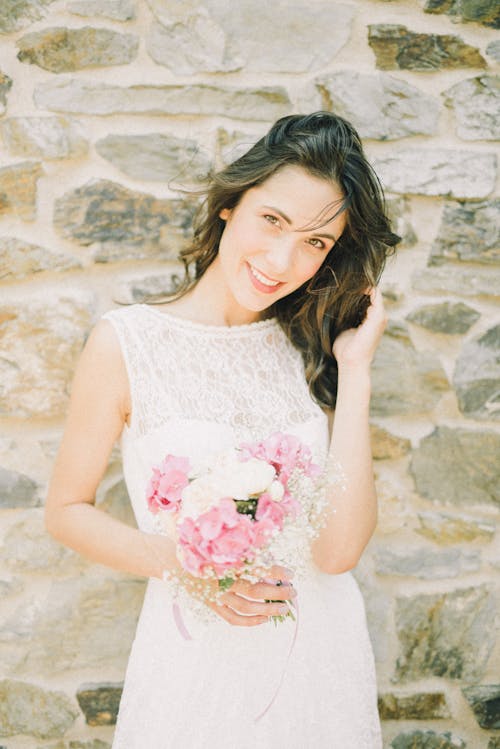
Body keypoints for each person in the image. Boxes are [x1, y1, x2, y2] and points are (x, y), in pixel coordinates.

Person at [46, 111, 398, 748]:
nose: (283, 260)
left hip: (318, 658)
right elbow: (67, 510)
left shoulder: (310, 347)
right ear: (231, 205)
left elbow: (338, 553)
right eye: (274, 221)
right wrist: (188, 568)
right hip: (196, 660)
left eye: (316, 243)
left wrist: (356, 371)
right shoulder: (127, 343)